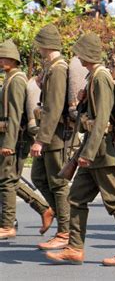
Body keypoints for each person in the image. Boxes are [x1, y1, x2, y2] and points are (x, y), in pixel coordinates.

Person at [46, 33, 115, 265]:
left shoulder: (100, 78)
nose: (76, 57)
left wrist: (86, 154)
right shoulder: (93, 77)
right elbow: (91, 116)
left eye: (79, 52)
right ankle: (75, 248)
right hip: (93, 150)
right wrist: (83, 102)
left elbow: (101, 121)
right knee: (76, 198)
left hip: (102, 152)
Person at [0, 40, 51, 239]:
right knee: (8, 179)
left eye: (5, 57)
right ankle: (44, 208)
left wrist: (9, 144)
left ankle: (8, 225)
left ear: (14, 60)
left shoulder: (16, 80)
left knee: (7, 180)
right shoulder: (10, 78)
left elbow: (14, 115)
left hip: (16, 138)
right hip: (9, 136)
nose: (2, 60)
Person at [30, 24, 71, 250]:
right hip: (50, 134)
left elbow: (53, 107)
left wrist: (40, 140)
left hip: (55, 136)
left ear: (46, 45)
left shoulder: (58, 69)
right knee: (38, 177)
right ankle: (59, 213)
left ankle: (65, 232)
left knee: (58, 183)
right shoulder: (52, 68)